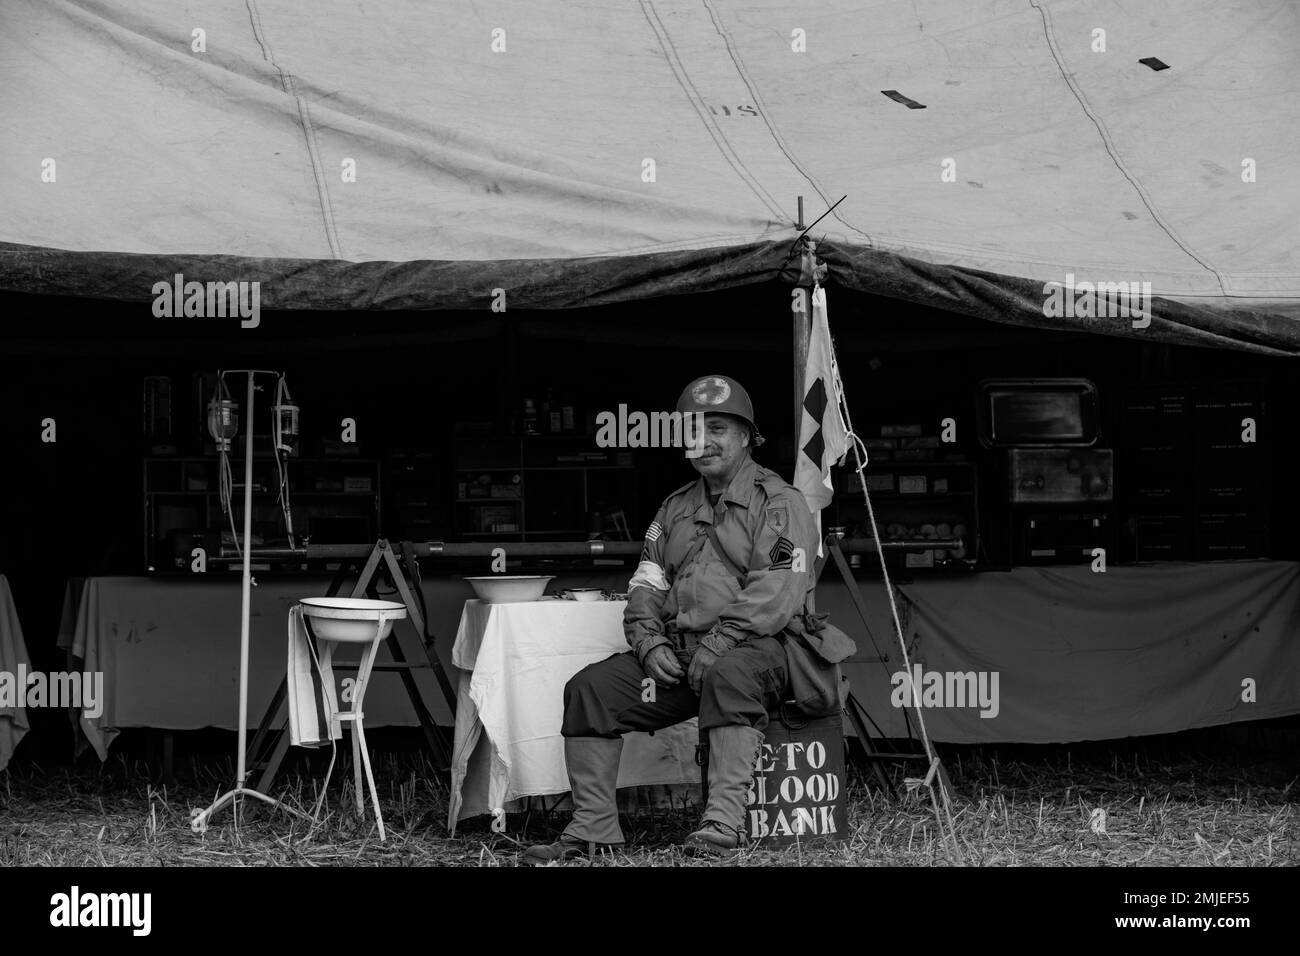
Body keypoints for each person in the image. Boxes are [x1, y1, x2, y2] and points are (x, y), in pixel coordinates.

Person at [525, 374, 817, 864]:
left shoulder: (781, 502)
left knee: (729, 674)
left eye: (718, 428)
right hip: (682, 658)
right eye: (693, 430)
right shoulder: (675, 507)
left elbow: (778, 591)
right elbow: (646, 583)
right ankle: (592, 829)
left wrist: (720, 641)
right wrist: (648, 643)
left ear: (746, 436)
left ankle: (721, 824)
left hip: (761, 653)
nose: (703, 441)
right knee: (589, 691)